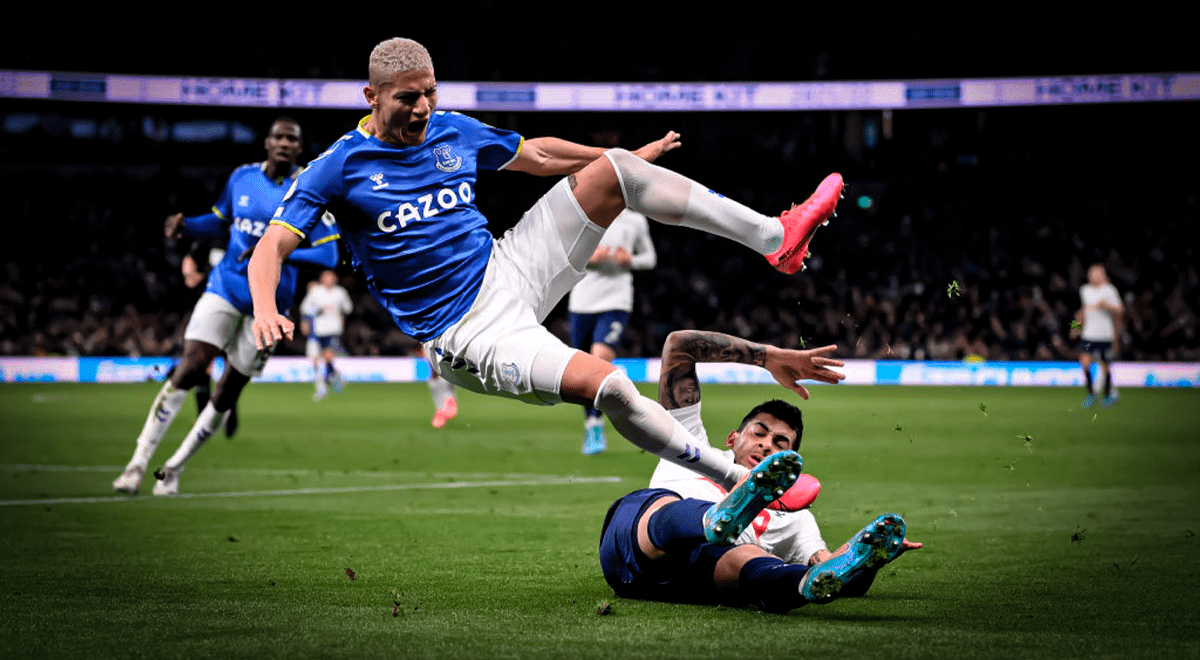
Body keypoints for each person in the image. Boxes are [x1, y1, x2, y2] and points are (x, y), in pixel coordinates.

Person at [249, 37, 844, 495]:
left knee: (614, 174)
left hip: (507, 267)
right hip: (464, 333)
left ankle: (777, 238)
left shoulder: (452, 130)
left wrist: (618, 159)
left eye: (430, 92)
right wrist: (268, 308)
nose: (425, 107)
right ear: (372, 97)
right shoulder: (338, 166)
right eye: (409, 97)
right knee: (606, 383)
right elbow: (269, 248)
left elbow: (536, 154)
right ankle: (733, 476)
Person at [599, 330, 922, 612]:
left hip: (694, 583)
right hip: (633, 552)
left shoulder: (795, 515)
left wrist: (869, 562)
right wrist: (767, 357)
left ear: (792, 459)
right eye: (760, 432)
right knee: (662, 504)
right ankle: (709, 519)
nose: (768, 445)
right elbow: (680, 345)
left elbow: (833, 569)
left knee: (748, 558)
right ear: (732, 438)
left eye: (781, 443)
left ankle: (798, 585)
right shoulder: (692, 444)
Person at [113, 117, 340, 496]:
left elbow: (329, 254)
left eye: (292, 139)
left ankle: (172, 469)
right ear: (266, 142)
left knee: (227, 393)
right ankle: (136, 464)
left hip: (269, 306)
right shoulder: (242, 177)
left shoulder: (310, 188)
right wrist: (187, 226)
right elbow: (219, 222)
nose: (284, 143)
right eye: (278, 137)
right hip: (225, 287)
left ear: (300, 148)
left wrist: (275, 253)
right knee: (188, 367)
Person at [568, 208, 657, 455]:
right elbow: (567, 255)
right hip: (582, 301)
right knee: (583, 372)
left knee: (599, 359)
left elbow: (650, 258)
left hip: (616, 301)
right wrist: (588, 257)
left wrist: (629, 260)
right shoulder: (586, 214)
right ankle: (592, 422)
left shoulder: (635, 219)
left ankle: (596, 424)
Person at [1070, 263, 1124, 408]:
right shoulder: (1085, 290)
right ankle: (1091, 394)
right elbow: (1082, 312)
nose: (1093, 276)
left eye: (1097, 273)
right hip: (1089, 335)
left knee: (1105, 367)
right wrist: (1075, 328)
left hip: (1105, 336)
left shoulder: (1109, 290)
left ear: (1103, 275)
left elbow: (1120, 310)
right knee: (1085, 363)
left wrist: (1107, 306)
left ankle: (1108, 396)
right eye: (1091, 273)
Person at [300, 269, 353, 401]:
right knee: (314, 360)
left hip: (333, 329)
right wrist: (315, 312)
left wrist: (341, 313)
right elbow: (305, 308)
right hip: (316, 330)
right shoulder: (315, 291)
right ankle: (329, 380)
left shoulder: (341, 293)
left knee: (328, 355)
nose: (328, 279)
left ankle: (326, 383)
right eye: (326, 277)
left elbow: (348, 308)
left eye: (331, 277)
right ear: (322, 279)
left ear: (335, 279)